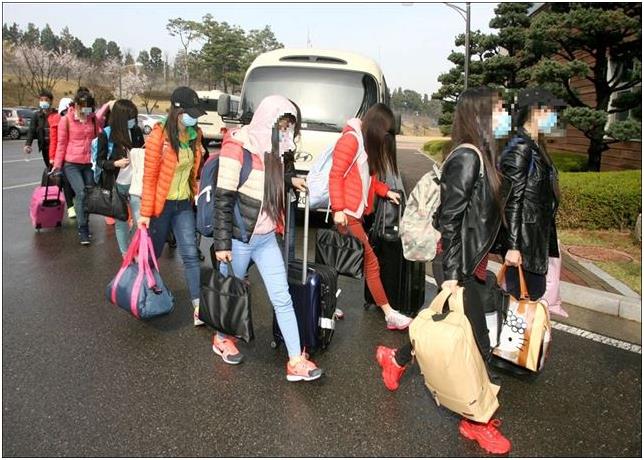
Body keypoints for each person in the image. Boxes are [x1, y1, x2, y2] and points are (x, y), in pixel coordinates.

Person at [376, 87, 512, 454]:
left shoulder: (485, 157)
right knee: (476, 342)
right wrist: (451, 274)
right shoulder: (466, 158)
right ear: (480, 115)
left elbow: (483, 217)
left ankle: (397, 358)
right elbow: (449, 220)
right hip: (458, 264)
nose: (505, 116)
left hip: (471, 262)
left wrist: (507, 248)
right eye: (498, 110)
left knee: (449, 329)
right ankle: (477, 421)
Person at [212, 95, 323, 382]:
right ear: (267, 123)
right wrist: (222, 244)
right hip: (238, 239)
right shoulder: (237, 148)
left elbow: (271, 179)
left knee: (282, 297)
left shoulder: (274, 151)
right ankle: (222, 337)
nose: (287, 134)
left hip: (265, 238)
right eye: (283, 127)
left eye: (290, 128)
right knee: (231, 293)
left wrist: (291, 180)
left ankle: (296, 360)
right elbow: (223, 199)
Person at [328, 103, 410, 330]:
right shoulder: (351, 140)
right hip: (347, 215)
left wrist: (385, 191)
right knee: (370, 262)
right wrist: (338, 209)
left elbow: (369, 179)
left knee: (341, 261)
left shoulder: (363, 143)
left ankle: (326, 304)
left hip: (353, 213)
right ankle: (389, 313)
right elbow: (335, 174)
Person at [138, 87, 204, 326]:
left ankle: (198, 307)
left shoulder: (195, 135)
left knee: (190, 254)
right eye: (190, 113)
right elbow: (150, 176)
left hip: (183, 203)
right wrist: (145, 213)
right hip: (160, 205)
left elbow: (193, 171)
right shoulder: (159, 137)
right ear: (177, 111)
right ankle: (144, 295)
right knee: (151, 255)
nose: (194, 118)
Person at [499, 88, 563, 301]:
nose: (554, 116)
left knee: (530, 299)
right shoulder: (521, 147)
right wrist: (513, 247)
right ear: (536, 112)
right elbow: (512, 201)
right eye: (551, 110)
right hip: (524, 243)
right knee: (523, 301)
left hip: (534, 238)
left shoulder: (535, 146)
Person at [96, 99, 145, 256]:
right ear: (121, 118)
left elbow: (143, 151)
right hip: (116, 185)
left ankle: (133, 245)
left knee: (140, 221)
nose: (133, 121)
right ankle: (126, 254)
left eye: (135, 117)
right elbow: (100, 161)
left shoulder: (136, 131)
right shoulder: (107, 134)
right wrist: (115, 163)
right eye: (131, 118)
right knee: (121, 222)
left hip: (135, 184)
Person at [53, 88, 98, 245]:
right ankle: (83, 229)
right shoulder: (66, 120)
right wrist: (57, 165)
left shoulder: (93, 119)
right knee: (80, 192)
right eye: (83, 106)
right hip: (71, 163)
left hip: (88, 163)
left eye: (89, 106)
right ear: (76, 105)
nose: (86, 109)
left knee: (89, 194)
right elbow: (61, 143)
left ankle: (85, 221)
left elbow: (97, 140)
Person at [48, 97, 76, 218]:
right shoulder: (57, 122)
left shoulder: (76, 120)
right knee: (66, 182)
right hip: (63, 157)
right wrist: (52, 157)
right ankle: (70, 206)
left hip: (74, 155)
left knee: (74, 182)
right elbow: (55, 141)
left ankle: (73, 202)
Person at [24, 90, 56, 168]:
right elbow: (31, 130)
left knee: (56, 168)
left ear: (51, 101)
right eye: (41, 100)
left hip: (56, 147)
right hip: (45, 147)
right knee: (49, 167)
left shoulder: (56, 114)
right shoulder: (37, 116)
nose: (43, 102)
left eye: (46, 100)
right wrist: (28, 144)